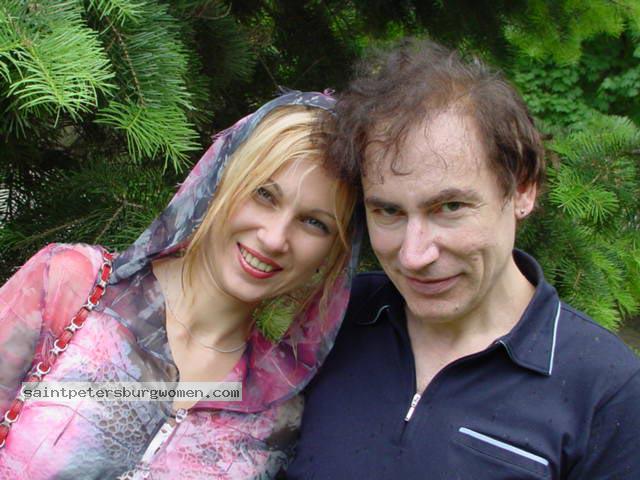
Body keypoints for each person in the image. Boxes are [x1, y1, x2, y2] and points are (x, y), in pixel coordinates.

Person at [288, 40, 640, 479]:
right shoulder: (333, 318)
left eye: (450, 207)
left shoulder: (608, 390)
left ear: (523, 189)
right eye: (389, 211)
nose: (414, 255)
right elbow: (220, 397)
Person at [0, 91, 361, 479]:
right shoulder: (72, 284)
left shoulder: (277, 413)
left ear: (334, 253)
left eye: (314, 223)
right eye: (263, 194)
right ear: (220, 178)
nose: (274, 238)